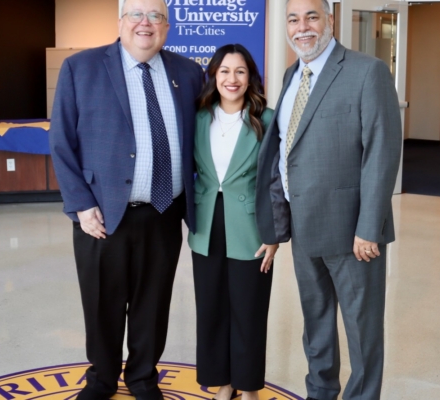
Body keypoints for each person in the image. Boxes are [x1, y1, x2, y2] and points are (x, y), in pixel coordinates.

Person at [49, 0, 203, 399]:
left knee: (153, 304)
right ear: (120, 22)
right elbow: (61, 141)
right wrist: (80, 205)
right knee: (103, 304)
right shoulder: (81, 68)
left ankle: (142, 378)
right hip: (101, 214)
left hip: (165, 210)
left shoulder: (188, 73)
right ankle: (101, 379)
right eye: (136, 14)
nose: (145, 23)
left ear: (167, 27)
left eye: (155, 16)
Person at [255, 0, 402, 399]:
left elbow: (381, 153)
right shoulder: (290, 75)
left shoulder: (366, 72)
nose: (302, 27)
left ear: (330, 20)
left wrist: (369, 228)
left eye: (312, 17)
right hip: (305, 228)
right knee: (315, 324)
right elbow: (287, 151)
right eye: (293, 19)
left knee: (361, 328)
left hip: (354, 235)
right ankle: (320, 391)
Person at [187, 44, 279, 400]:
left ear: (250, 77)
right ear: (213, 74)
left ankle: (251, 386)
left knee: (249, 312)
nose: (232, 78)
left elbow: (277, 181)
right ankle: (224, 384)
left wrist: (274, 235)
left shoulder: (266, 120)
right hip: (206, 226)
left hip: (252, 229)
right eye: (224, 71)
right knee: (211, 309)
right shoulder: (198, 117)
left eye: (240, 71)